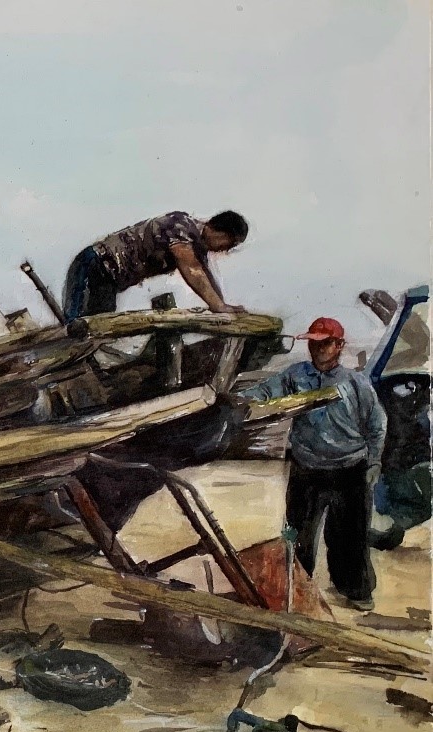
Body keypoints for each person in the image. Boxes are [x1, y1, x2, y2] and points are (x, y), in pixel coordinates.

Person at [240, 317, 387, 611]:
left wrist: (373, 462)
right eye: (314, 343)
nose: (318, 349)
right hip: (307, 468)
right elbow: (265, 391)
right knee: (298, 535)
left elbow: (377, 424)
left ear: (339, 346)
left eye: (325, 343)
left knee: (349, 536)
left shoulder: (355, 382)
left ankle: (356, 591)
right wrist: (238, 400)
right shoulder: (296, 376)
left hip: (350, 469)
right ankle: (296, 590)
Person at [63, 210, 248, 321]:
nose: (226, 250)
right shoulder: (181, 225)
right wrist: (218, 306)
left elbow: (205, 277)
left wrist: (222, 305)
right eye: (229, 243)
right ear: (218, 231)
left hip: (108, 279)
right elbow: (192, 269)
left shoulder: (197, 248)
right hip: (94, 265)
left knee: (98, 326)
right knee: (82, 326)